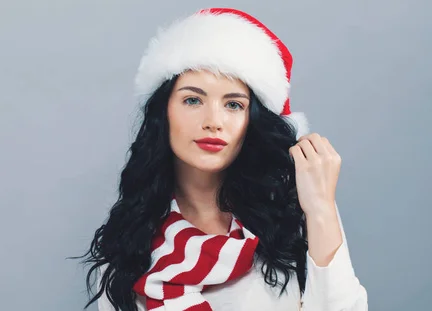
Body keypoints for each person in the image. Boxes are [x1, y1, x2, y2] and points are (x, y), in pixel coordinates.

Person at [79, 7, 368, 311]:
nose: (213, 121)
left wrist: (321, 208)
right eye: (193, 99)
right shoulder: (129, 246)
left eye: (233, 104)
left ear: (251, 120)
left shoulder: (292, 213)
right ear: (164, 113)